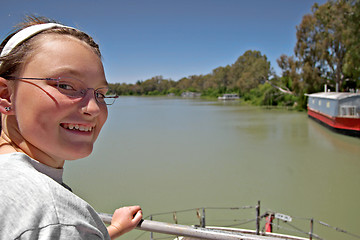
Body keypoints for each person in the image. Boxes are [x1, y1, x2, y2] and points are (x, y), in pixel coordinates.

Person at [0, 16, 142, 239]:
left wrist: (110, 230)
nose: (93, 108)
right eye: (66, 85)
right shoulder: (54, 217)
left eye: (100, 94)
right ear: (6, 95)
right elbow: (56, 225)